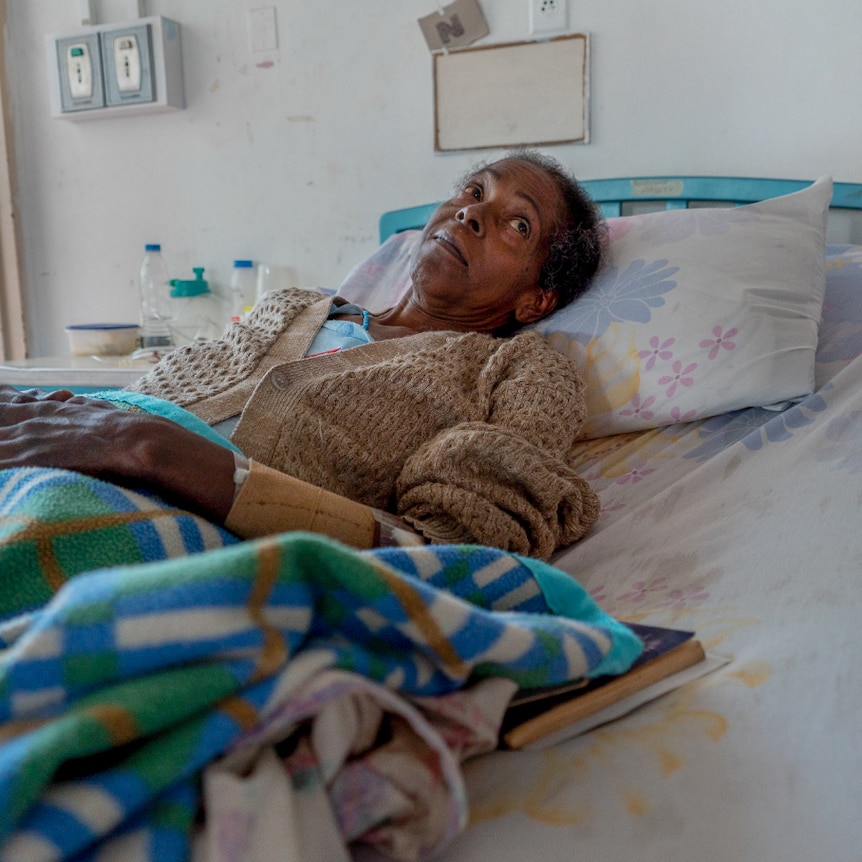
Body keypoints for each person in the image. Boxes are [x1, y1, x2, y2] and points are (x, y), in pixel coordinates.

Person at [0, 149, 604, 560]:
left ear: (535, 299)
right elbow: (150, 396)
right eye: (474, 192)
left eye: (516, 225)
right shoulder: (292, 307)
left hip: (172, 533)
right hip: (61, 461)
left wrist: (161, 454)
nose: (472, 212)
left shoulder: (521, 370)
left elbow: (451, 550)